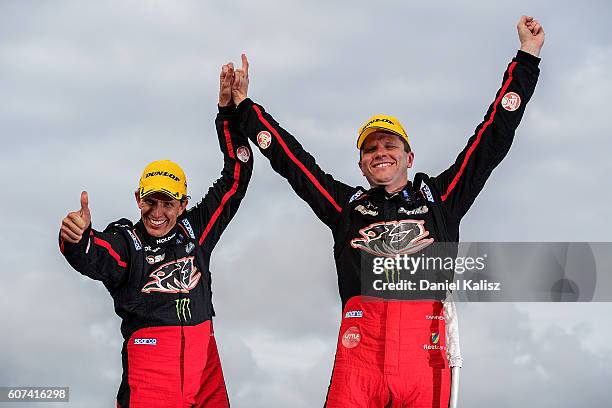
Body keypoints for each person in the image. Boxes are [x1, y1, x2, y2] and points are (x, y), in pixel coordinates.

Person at [227, 15, 544, 408]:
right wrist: (245, 108)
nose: (381, 153)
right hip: (359, 360)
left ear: (408, 156)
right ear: (361, 165)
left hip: (424, 358)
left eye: (390, 145)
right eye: (371, 149)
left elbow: (493, 135)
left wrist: (527, 58)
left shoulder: (439, 199)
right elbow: (293, 162)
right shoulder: (347, 207)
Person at [59, 66, 253, 408]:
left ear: (183, 204)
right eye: (150, 201)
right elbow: (96, 254)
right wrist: (77, 238)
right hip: (151, 370)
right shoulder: (127, 243)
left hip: (204, 361)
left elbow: (236, 177)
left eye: (167, 203)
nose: (157, 212)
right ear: (138, 199)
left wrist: (228, 114)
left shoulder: (196, 230)